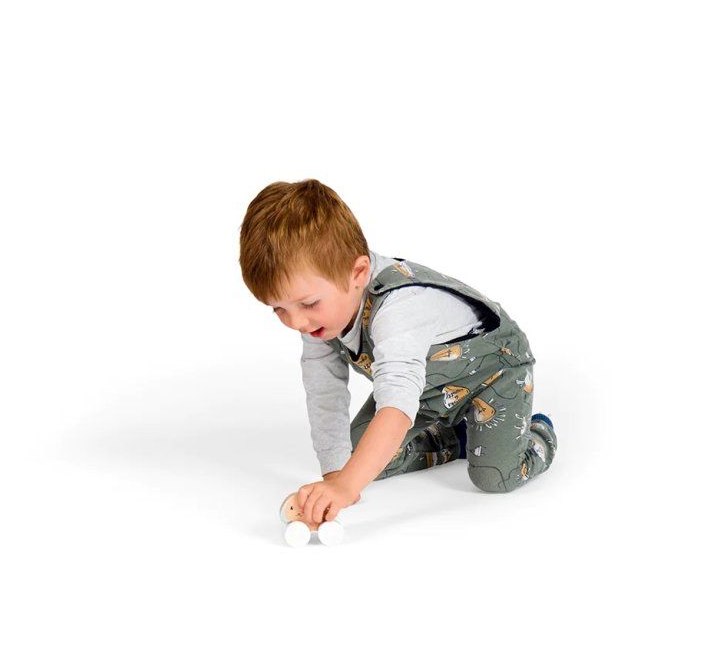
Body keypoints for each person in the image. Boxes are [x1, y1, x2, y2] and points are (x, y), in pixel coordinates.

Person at [239, 179, 558, 527]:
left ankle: (535, 433)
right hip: (426, 389)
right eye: (279, 309)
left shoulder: (399, 307)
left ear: (358, 272)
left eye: (309, 303)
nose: (296, 322)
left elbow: (396, 404)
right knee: (354, 460)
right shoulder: (317, 320)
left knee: (496, 477)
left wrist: (347, 487)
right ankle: (459, 436)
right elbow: (324, 394)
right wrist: (336, 477)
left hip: (496, 372)